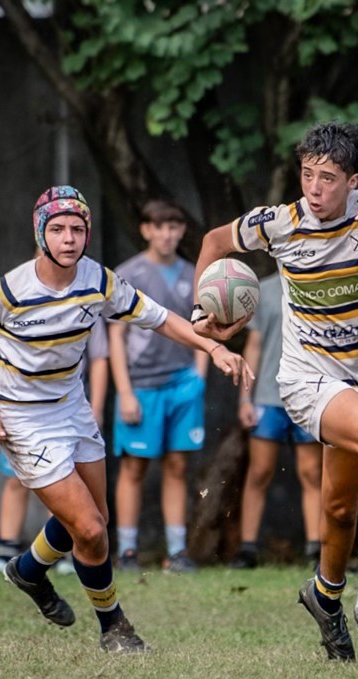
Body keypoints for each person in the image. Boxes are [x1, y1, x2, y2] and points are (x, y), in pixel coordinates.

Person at [0, 186, 251, 653]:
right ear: (40, 233)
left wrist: (213, 347)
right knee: (89, 530)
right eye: (57, 228)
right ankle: (114, 627)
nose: (69, 238)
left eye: (77, 228)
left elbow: (159, 318)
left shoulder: (98, 280)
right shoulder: (5, 291)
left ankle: (28, 572)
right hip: (23, 419)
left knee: (98, 521)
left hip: (72, 407)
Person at [192, 121, 358, 661]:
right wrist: (202, 309)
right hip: (307, 380)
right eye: (307, 174)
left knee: (338, 511)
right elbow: (214, 241)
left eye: (327, 178)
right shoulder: (279, 223)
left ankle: (324, 595)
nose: (314, 188)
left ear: (353, 181)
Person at [109, 199, 207, 573]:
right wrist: (126, 391)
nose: (167, 234)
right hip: (141, 386)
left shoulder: (193, 273)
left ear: (182, 230)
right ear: (145, 230)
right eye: (159, 227)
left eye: (174, 226)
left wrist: (199, 373)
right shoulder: (127, 273)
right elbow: (115, 337)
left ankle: (177, 553)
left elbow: (201, 328)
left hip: (183, 384)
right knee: (134, 467)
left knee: (178, 466)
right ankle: (128, 551)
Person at [0, 318, 109, 576]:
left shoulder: (88, 300)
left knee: (64, 484)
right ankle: (6, 551)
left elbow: (99, 358)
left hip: (66, 413)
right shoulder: (14, 298)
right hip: (22, 414)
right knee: (15, 479)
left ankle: (59, 557)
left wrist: (96, 407)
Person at [231, 271, 323, 569]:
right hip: (268, 398)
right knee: (259, 472)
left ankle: (317, 550)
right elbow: (254, 345)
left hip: (309, 396)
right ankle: (247, 550)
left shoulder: (319, 284)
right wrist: (246, 398)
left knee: (312, 473)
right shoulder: (262, 290)